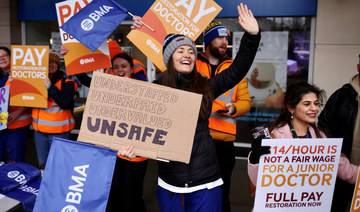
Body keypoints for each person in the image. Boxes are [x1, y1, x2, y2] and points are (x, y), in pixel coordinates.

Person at [125, 3, 260, 211]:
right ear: (170, 59)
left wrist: (251, 37)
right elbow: (141, 128)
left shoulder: (206, 86)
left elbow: (236, 70)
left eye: (191, 51)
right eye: (180, 51)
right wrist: (134, 148)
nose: (187, 54)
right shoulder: (155, 90)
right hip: (170, 183)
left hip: (206, 182)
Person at [61, 47, 148, 211]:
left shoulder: (143, 88)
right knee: (112, 192)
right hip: (111, 153)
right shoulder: (106, 86)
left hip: (135, 154)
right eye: (116, 67)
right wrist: (70, 56)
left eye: (124, 66)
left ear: (131, 69)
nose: (120, 70)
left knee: (131, 196)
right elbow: (84, 78)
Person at [247, 82, 358, 199]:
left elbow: (342, 167)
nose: (314, 108)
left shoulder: (320, 136)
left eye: (316, 104)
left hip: (307, 204)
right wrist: (255, 158)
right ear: (291, 108)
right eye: (307, 104)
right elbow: (258, 182)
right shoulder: (275, 137)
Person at [318, 54, 360, 212]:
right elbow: (324, 124)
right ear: (358, 67)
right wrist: (337, 153)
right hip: (341, 170)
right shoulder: (342, 96)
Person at [32, 51, 77, 169]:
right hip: (39, 132)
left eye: (53, 62)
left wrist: (50, 87)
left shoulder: (67, 83)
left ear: (58, 65)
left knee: (59, 167)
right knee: (43, 166)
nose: (50, 65)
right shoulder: (35, 82)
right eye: (46, 62)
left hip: (60, 134)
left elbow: (65, 103)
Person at [0, 46, 32, 163]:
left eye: (4, 55)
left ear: (11, 57)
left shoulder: (22, 72)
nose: (2, 58)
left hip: (16, 125)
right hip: (1, 126)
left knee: (15, 161)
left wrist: (18, 112)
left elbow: (32, 96)